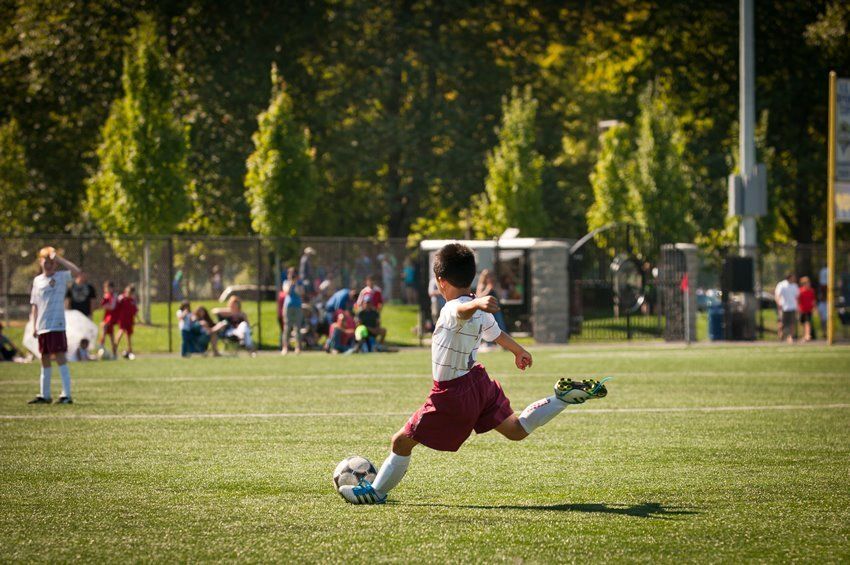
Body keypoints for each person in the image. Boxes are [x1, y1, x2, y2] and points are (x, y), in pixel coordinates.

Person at [339, 243, 609, 504]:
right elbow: (496, 333)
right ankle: (561, 398)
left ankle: (374, 492)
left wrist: (476, 304)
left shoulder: (452, 308)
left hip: (453, 393)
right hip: (478, 382)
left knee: (400, 442)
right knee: (517, 429)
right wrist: (518, 350)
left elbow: (460, 310)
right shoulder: (475, 310)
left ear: (441, 281)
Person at [28, 246, 81, 404]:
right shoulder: (37, 280)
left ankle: (66, 394)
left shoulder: (61, 277)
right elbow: (35, 305)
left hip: (57, 325)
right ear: (40, 261)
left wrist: (59, 258)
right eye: (46, 261)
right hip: (42, 326)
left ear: (55, 264)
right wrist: (34, 325)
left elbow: (77, 272)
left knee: (59, 357)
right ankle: (45, 395)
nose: (49, 264)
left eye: (52, 262)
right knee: (44, 358)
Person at [280, 267, 304, 355]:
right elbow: (287, 292)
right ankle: (285, 347)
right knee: (287, 327)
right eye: (290, 274)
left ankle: (297, 347)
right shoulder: (286, 282)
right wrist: (291, 283)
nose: (292, 276)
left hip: (297, 306)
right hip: (288, 307)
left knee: (297, 327)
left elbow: (300, 292)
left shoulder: (300, 283)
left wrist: (296, 283)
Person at [476, 269, 507, 334]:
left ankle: (503, 339)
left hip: (495, 308)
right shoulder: (481, 285)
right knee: (487, 327)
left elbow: (500, 296)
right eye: (488, 276)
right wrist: (488, 289)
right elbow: (478, 297)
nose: (490, 278)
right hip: (485, 310)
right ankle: (488, 342)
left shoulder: (496, 285)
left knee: (500, 324)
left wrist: (495, 288)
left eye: (491, 276)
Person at [115, 284, 139, 359]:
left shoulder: (132, 300)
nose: (129, 294)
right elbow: (116, 308)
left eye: (131, 293)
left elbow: (135, 310)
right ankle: (114, 348)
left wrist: (137, 319)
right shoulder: (121, 298)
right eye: (128, 292)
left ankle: (130, 350)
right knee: (121, 331)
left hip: (130, 320)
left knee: (128, 335)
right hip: (122, 319)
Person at [775, 273, 799, 343]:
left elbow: (797, 297)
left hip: (792, 307)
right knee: (782, 323)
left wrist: (797, 306)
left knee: (792, 323)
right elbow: (777, 295)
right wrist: (779, 304)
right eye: (793, 277)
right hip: (784, 307)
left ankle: (790, 337)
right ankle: (781, 335)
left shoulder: (795, 286)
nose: (794, 278)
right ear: (789, 277)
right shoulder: (781, 285)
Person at [97, 280, 118, 359]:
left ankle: (114, 353)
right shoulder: (106, 295)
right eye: (105, 288)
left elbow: (112, 307)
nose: (107, 289)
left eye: (108, 288)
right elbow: (102, 304)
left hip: (110, 318)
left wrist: (104, 305)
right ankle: (101, 350)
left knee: (109, 334)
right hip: (107, 317)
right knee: (105, 333)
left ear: (112, 288)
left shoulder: (113, 296)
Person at [798, 276, 816, 341]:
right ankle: (805, 335)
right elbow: (798, 300)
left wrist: (814, 308)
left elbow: (813, 300)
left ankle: (808, 336)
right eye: (807, 283)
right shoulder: (800, 291)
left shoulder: (811, 291)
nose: (808, 284)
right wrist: (798, 308)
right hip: (802, 310)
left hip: (808, 310)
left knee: (807, 322)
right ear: (803, 284)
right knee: (802, 323)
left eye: (809, 283)